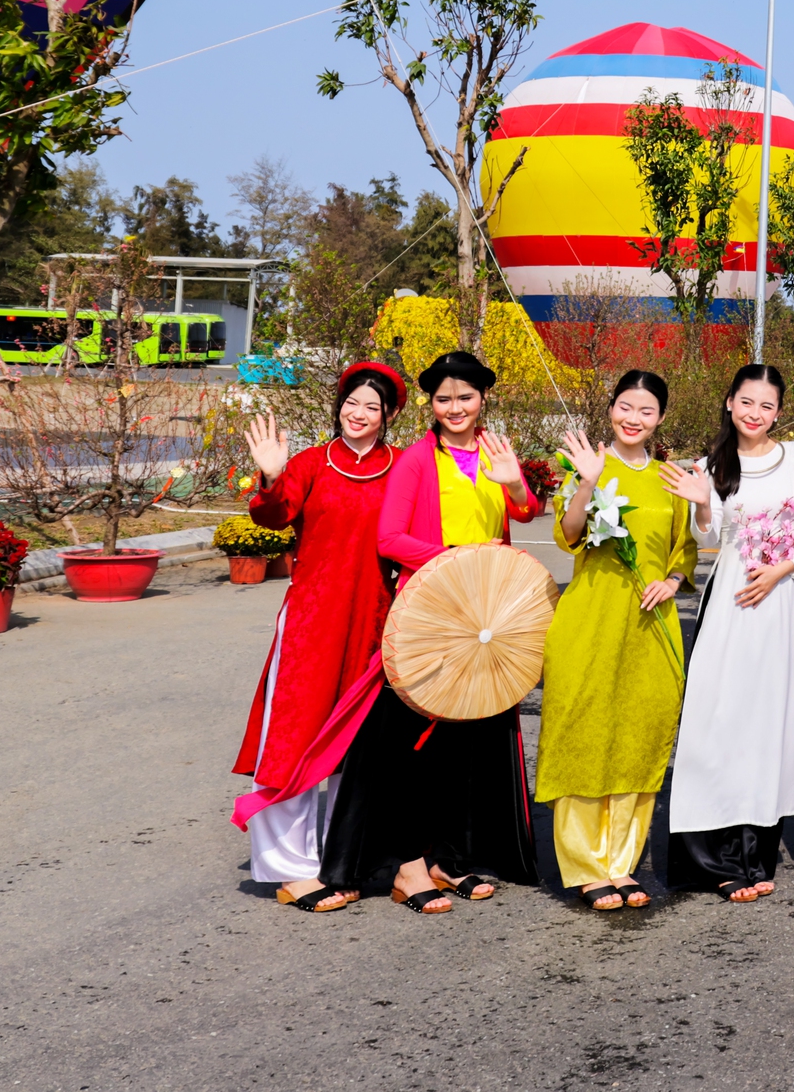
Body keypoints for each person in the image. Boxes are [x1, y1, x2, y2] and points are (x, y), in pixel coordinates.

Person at [317, 351, 543, 913]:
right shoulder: (417, 460)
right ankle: (405, 865)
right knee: (407, 743)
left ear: (482, 399)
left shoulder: (495, 452)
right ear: (431, 404)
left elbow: (525, 512)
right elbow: (389, 538)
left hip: (486, 615)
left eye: (465, 397)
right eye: (444, 399)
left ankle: (450, 857)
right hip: (432, 612)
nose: (455, 407)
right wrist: (456, 559)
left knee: (469, 741)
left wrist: (514, 485)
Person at [227, 361, 407, 913]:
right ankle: (291, 869)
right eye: (351, 403)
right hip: (312, 620)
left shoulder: (403, 467)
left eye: (372, 406)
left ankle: (342, 860)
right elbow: (273, 515)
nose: (359, 414)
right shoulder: (311, 463)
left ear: (388, 415)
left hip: (376, 622)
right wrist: (270, 476)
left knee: (358, 745)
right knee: (296, 738)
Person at [665, 363, 794, 902]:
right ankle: (711, 860)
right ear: (730, 402)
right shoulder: (711, 464)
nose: (755, 413)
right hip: (731, 599)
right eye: (747, 402)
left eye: (767, 405)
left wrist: (782, 571)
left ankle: (755, 854)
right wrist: (701, 500)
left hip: (776, 600)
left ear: (778, 412)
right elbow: (706, 534)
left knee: (766, 720)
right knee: (718, 716)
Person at [536, 371, 693, 910]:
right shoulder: (588, 465)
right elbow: (568, 535)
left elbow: (684, 548)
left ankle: (621, 862)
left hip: (650, 626)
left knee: (637, 735)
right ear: (610, 409)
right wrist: (586, 483)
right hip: (591, 620)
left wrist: (673, 580)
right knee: (584, 731)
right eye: (625, 406)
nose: (634, 418)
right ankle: (585, 867)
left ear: (661, 418)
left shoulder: (670, 478)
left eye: (646, 411)